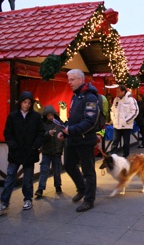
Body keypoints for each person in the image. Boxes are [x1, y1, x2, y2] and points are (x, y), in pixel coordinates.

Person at [0, 91, 44, 215]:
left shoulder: (36, 117)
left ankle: (28, 199)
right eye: (24, 102)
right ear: (20, 102)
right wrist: (13, 145)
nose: (26, 105)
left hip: (29, 152)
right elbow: (7, 133)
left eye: (29, 103)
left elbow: (40, 133)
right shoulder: (12, 117)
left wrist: (35, 146)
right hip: (15, 152)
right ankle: (4, 202)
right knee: (10, 177)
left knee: (27, 179)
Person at [58, 69, 100, 212]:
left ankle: (89, 200)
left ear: (80, 80)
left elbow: (90, 121)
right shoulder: (75, 96)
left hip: (85, 141)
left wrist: (72, 130)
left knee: (88, 172)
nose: (69, 83)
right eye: (68, 79)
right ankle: (82, 189)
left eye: (72, 79)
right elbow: (72, 119)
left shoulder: (90, 97)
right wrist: (65, 131)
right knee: (69, 166)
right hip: (73, 139)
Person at [34, 105, 65, 197]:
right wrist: (48, 134)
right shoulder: (42, 124)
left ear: (54, 115)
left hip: (57, 151)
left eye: (52, 115)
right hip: (46, 151)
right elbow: (40, 136)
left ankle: (58, 186)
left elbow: (64, 133)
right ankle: (40, 189)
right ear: (45, 116)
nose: (50, 117)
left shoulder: (59, 123)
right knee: (44, 170)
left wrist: (64, 143)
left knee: (57, 170)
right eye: (48, 115)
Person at [110, 85, 139, 158]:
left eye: (118, 91)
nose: (117, 93)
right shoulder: (116, 100)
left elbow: (135, 111)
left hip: (126, 126)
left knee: (126, 142)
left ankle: (125, 156)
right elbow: (112, 110)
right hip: (117, 125)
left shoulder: (131, 100)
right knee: (115, 141)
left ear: (123, 92)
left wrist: (126, 120)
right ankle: (112, 157)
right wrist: (114, 120)